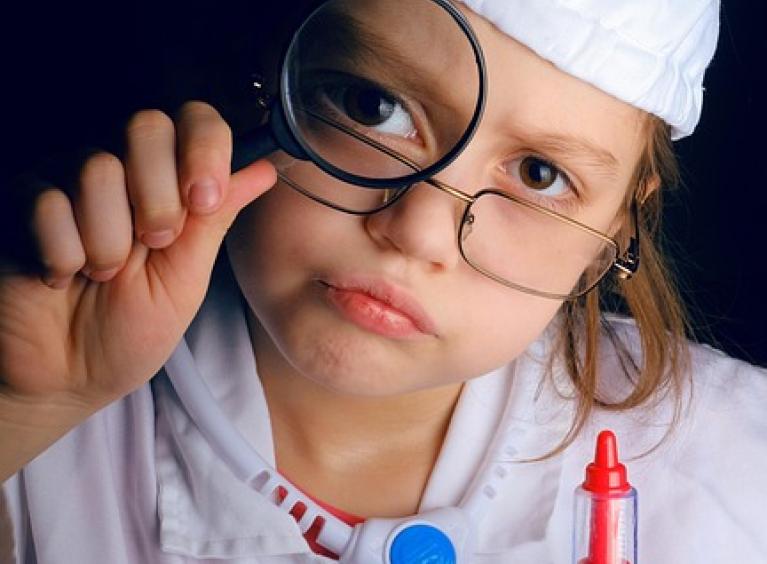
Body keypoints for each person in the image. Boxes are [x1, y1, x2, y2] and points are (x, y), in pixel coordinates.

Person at [1, 0, 765, 563]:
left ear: (618, 230)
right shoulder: (36, 433)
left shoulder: (738, 464)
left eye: (539, 174)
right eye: (374, 107)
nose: (417, 232)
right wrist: (25, 410)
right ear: (264, 82)